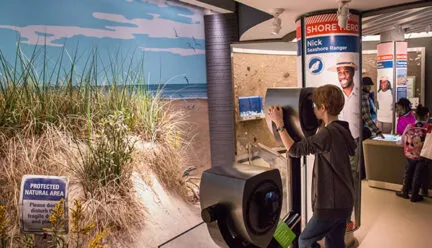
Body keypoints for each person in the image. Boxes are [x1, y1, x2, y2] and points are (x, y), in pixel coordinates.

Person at [268, 85, 355, 248]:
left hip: (330, 205)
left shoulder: (327, 134)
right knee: (334, 243)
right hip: (344, 202)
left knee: (304, 240)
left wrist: (279, 123)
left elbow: (294, 150)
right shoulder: (342, 129)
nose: (312, 109)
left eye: (315, 106)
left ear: (323, 108)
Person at [328, 53, 360, 231]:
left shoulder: (359, 96)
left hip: (353, 144)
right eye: (339, 72)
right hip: (336, 144)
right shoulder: (335, 96)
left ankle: (347, 218)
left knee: (351, 181)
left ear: (353, 73)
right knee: (336, 181)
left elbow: (364, 118)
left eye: (346, 71)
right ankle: (338, 218)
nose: (342, 75)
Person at [396, 105, 430, 202]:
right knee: (417, 175)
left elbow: (402, 140)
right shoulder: (428, 128)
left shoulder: (409, 126)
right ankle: (415, 195)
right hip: (421, 156)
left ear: (415, 116)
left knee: (408, 173)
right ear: (427, 116)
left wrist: (398, 143)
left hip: (409, 154)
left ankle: (405, 192)